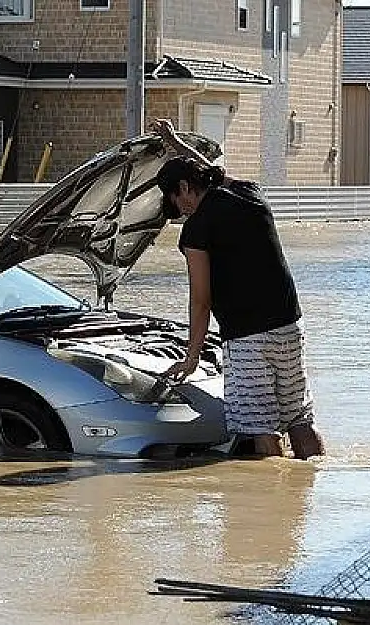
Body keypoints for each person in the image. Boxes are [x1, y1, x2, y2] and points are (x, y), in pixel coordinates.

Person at [150, 119, 326, 460]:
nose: (179, 209)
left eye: (175, 199)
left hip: (247, 337)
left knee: (262, 426)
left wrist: (192, 356)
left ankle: (271, 507)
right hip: (290, 325)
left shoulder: (197, 230)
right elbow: (213, 173)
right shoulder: (251, 194)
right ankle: (311, 495)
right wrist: (174, 142)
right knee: (299, 419)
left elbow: (200, 301)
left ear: (185, 187)